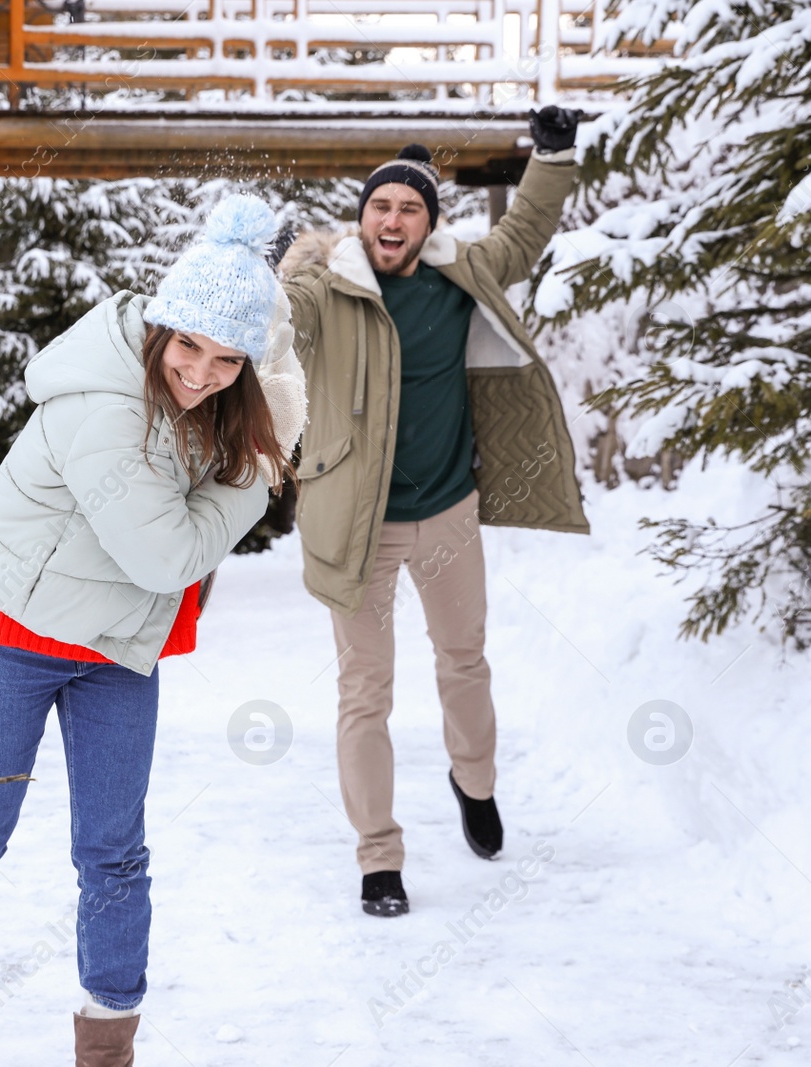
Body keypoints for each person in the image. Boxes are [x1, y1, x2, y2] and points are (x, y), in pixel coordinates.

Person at [0, 194, 307, 1067]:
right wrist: (262, 470)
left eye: (229, 360)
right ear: (161, 324)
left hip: (116, 649)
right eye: (190, 346)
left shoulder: (218, 398)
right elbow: (168, 555)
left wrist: (261, 421)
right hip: (14, 636)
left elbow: (192, 526)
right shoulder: (105, 406)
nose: (201, 374)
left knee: (114, 849)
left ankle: (108, 1043)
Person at [277, 107, 590, 918]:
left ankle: (474, 780)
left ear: (428, 223)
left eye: (409, 207)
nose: (393, 219)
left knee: (464, 662)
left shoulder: (459, 278)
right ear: (362, 219)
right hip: (359, 524)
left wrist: (552, 156)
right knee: (364, 692)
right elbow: (274, 320)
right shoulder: (325, 291)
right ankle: (379, 857)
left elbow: (523, 230)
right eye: (381, 206)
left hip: (448, 512)